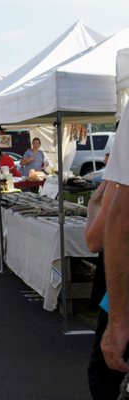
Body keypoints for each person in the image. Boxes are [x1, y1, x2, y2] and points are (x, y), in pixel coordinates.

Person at [95, 103, 129, 397]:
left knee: (103, 380)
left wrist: (118, 321)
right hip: (114, 297)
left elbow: (95, 237)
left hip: (117, 297)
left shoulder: (114, 187)